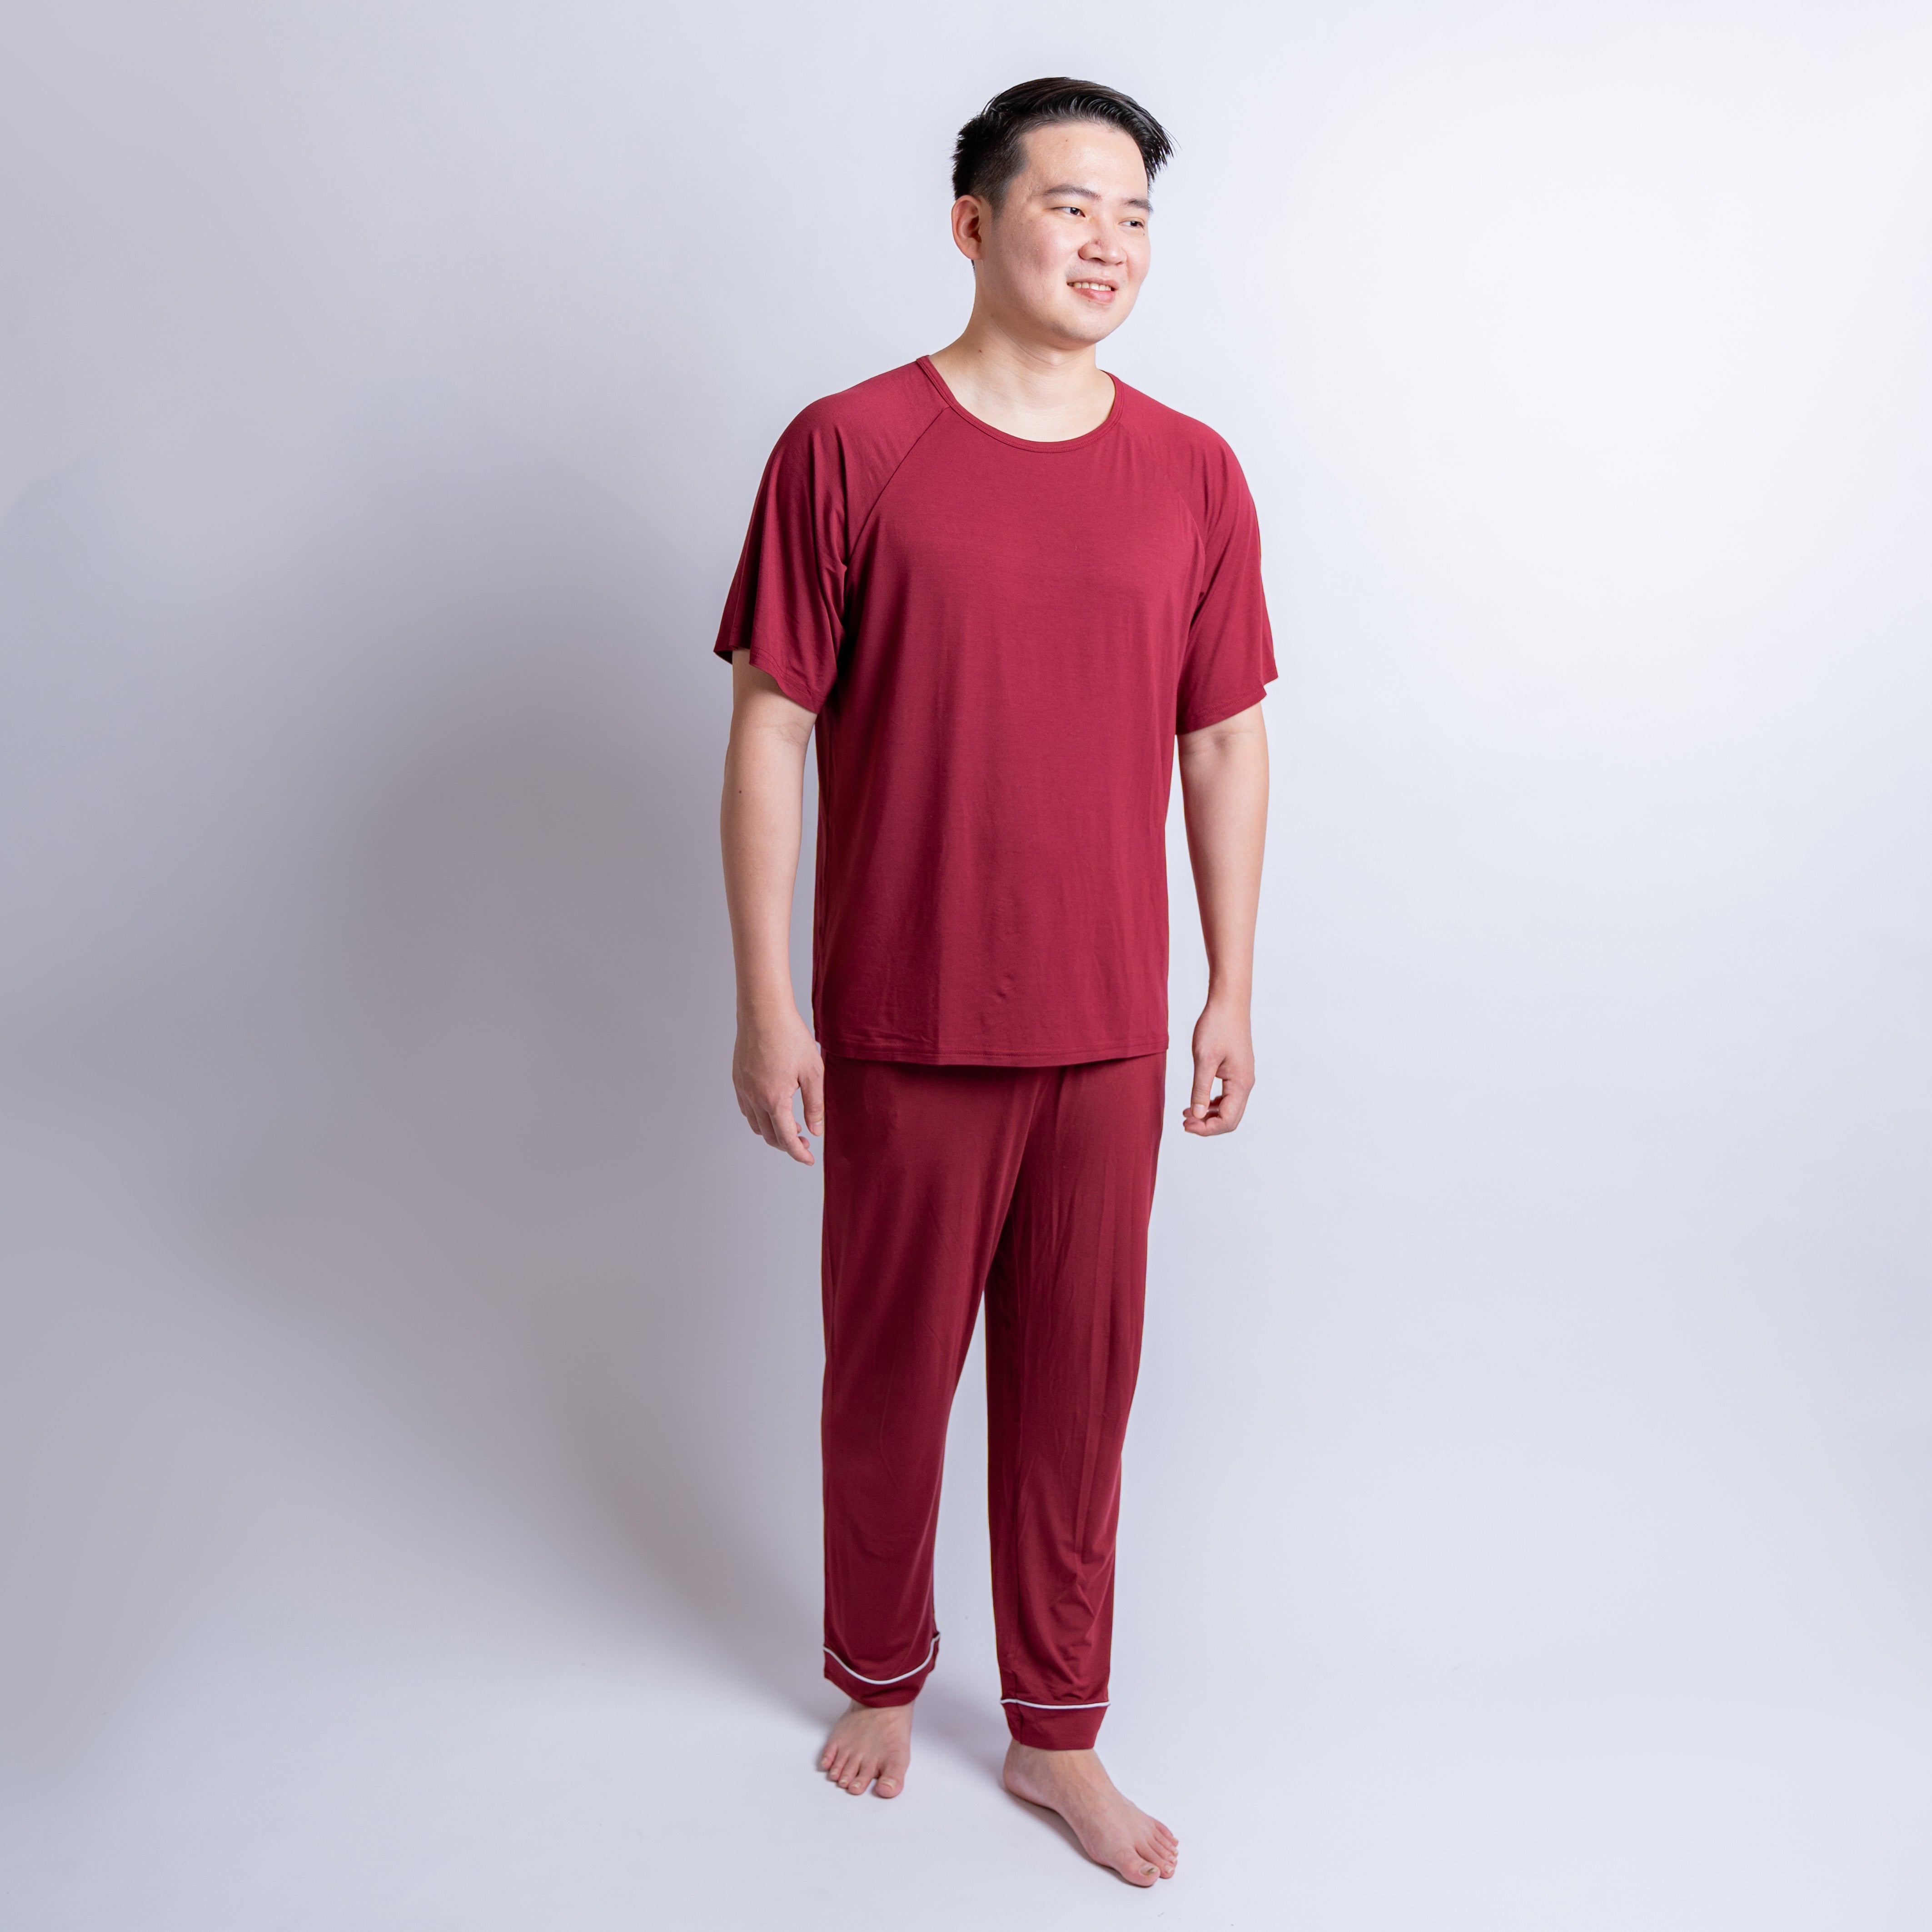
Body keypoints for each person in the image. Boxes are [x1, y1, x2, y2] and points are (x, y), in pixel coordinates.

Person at [714, 76, 1273, 1888]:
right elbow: (771, 727)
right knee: (887, 1377)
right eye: (1069, 207)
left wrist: (1229, 986)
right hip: (904, 1012)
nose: (1107, 244)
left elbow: (1221, 741)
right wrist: (768, 1001)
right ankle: (879, 1671)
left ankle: (1055, 1729)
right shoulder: (848, 447)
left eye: (1135, 217)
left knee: (1076, 1393)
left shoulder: (1192, 470)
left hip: (1110, 1028)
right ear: (973, 225)